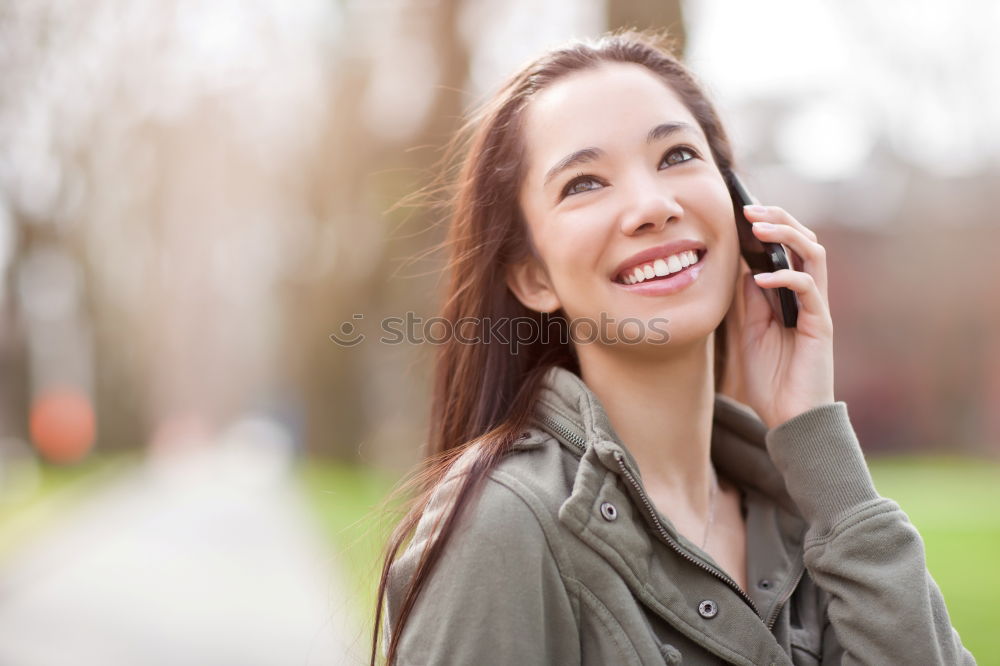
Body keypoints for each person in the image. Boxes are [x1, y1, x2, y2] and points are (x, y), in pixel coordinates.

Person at [370, 29, 975, 665]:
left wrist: (815, 439)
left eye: (677, 156)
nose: (652, 206)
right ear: (533, 276)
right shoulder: (502, 528)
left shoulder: (807, 515)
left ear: (743, 210)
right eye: (584, 183)